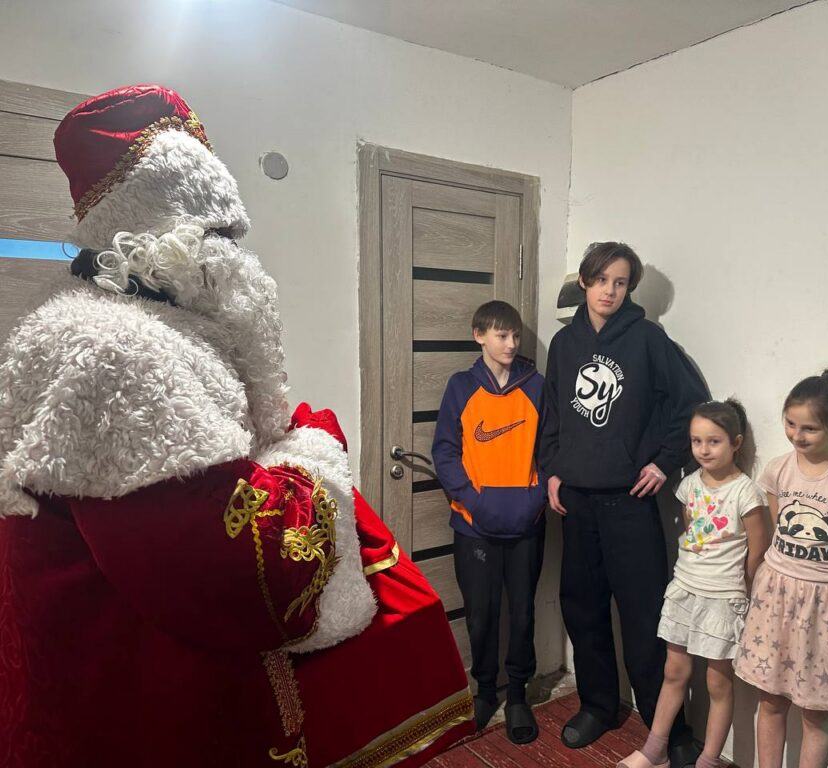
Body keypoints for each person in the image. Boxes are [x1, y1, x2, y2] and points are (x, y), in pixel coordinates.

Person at [0, 84, 473, 768]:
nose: (237, 258)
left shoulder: (140, 325)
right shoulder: (116, 350)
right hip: (139, 702)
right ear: (163, 231)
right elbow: (238, 578)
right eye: (216, 234)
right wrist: (312, 451)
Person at [539, 241, 709, 766]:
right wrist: (551, 471)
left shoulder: (648, 340)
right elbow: (551, 415)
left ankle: (668, 726)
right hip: (577, 502)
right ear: (584, 282)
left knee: (645, 617)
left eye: (619, 282)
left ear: (629, 288)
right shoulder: (564, 345)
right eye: (600, 280)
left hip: (630, 502)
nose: (609, 291)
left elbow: (690, 406)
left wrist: (663, 461)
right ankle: (597, 705)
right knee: (583, 608)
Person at [734, 369, 828, 768]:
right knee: (771, 700)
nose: (797, 435)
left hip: (827, 608)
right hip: (776, 597)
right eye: (791, 424)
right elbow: (777, 525)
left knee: (816, 713)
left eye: (810, 428)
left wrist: (820, 577)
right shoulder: (778, 469)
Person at [618, 400, 770, 768]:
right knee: (674, 672)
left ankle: (709, 759)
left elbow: (758, 549)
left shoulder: (746, 492)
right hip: (685, 590)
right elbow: (691, 533)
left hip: (723, 598)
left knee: (718, 683)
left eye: (713, 441)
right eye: (696, 441)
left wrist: (745, 590)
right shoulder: (688, 485)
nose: (703, 449)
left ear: (735, 442)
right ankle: (655, 750)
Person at [432, 300, 548, 743]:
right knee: (480, 614)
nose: (511, 344)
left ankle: (517, 695)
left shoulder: (536, 386)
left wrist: (536, 498)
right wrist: (471, 500)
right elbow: (445, 450)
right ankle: (484, 692)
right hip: (473, 525)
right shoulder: (461, 386)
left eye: (515, 335)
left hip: (526, 523)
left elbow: (551, 450)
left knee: (522, 612)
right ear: (479, 335)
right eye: (502, 335)